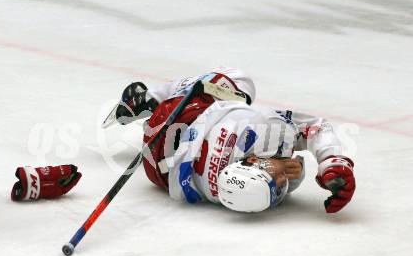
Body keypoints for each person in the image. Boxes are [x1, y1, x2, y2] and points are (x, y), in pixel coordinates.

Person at [110, 67, 356, 213]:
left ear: (250, 160)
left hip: (176, 119)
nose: (283, 177)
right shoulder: (242, 191)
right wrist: (307, 166)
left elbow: (312, 126)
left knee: (237, 80)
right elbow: (274, 180)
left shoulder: (260, 136)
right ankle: (151, 105)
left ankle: (149, 98)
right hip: (158, 172)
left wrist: (331, 162)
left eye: (276, 175)